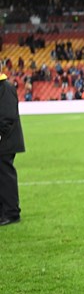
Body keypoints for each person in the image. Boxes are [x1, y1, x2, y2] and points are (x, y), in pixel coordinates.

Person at [0, 72, 24, 226]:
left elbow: (7, 116)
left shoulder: (5, 87)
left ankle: (11, 212)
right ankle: (4, 211)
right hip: (4, 140)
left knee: (6, 177)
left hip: (5, 141)